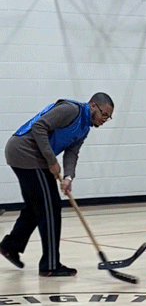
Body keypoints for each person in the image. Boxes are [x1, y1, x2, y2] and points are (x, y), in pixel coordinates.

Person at [0, 93, 114, 276]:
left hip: (33, 156)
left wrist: (68, 177)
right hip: (25, 151)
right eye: (104, 114)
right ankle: (50, 265)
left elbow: (72, 152)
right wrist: (52, 161)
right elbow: (39, 127)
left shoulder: (84, 128)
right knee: (50, 208)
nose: (104, 119)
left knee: (36, 207)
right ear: (93, 105)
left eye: (108, 117)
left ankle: (10, 246)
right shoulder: (71, 110)